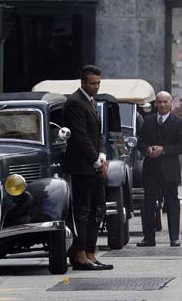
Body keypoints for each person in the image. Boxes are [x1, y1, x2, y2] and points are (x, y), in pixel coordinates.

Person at [63, 65, 112, 270]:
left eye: (99, 83)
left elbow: (98, 134)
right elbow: (81, 137)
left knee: (97, 210)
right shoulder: (75, 102)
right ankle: (80, 254)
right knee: (82, 212)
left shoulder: (91, 102)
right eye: (93, 83)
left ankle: (91, 253)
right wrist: (95, 161)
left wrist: (101, 157)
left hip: (94, 165)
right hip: (82, 167)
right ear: (83, 82)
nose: (96, 86)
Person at [137, 91, 182, 247]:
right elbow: (140, 142)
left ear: (171, 103)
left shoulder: (178, 122)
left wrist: (164, 150)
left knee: (172, 203)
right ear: (155, 104)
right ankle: (148, 238)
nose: (162, 105)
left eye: (165, 102)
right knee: (148, 204)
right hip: (150, 170)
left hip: (170, 170)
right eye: (159, 102)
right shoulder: (148, 121)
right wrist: (147, 150)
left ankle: (174, 237)